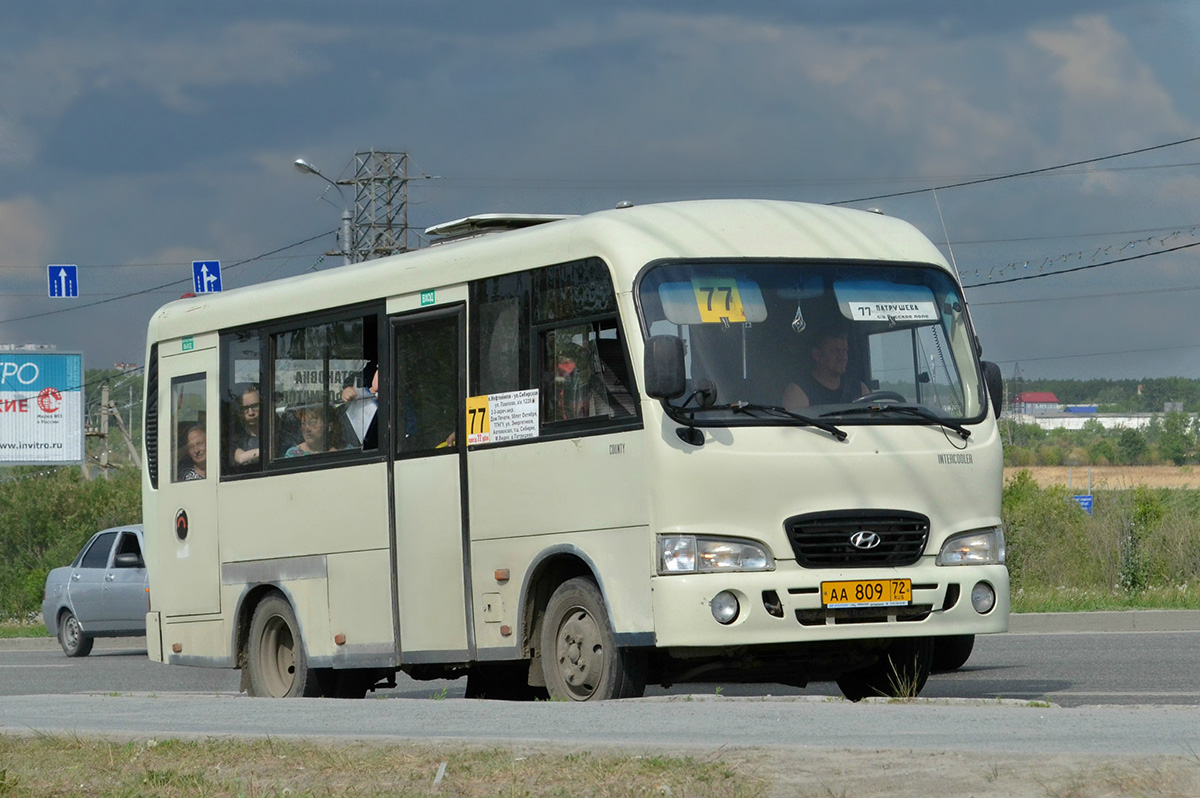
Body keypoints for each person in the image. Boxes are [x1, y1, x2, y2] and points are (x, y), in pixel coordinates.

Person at [782, 331, 867, 410]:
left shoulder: (860, 389)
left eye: (844, 350)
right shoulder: (798, 392)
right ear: (816, 354)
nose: (842, 356)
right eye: (835, 351)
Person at [231, 385, 261, 466]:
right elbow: (241, 458)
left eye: (255, 406)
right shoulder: (236, 439)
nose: (251, 413)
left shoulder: (276, 434)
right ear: (240, 412)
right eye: (245, 408)